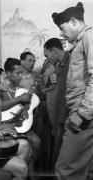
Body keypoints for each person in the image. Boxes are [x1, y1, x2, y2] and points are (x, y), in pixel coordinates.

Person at [52, 2, 93, 180]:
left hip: (83, 115)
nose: (61, 33)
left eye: (62, 28)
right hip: (81, 113)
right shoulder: (81, 41)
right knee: (85, 172)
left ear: (73, 21)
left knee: (65, 171)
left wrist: (82, 114)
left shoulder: (89, 37)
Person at [2, 57, 41, 177]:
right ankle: (24, 171)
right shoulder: (2, 88)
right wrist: (19, 99)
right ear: (8, 73)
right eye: (18, 73)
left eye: (21, 73)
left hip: (20, 125)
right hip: (6, 126)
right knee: (29, 144)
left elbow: (23, 108)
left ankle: (30, 167)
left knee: (37, 141)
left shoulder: (20, 88)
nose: (21, 76)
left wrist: (30, 110)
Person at [42, 38, 69, 169]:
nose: (47, 59)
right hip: (60, 114)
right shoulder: (59, 67)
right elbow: (54, 87)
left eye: (47, 55)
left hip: (67, 114)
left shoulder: (72, 62)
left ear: (54, 50)